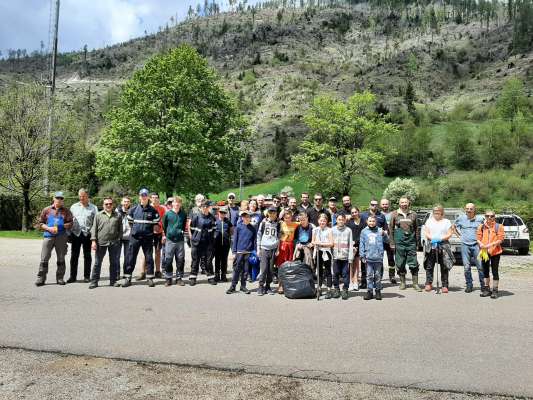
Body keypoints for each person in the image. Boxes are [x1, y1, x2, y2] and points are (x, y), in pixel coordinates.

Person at [122, 188, 160, 288]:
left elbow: (156, 224)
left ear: (148, 197)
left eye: (145, 195)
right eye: (142, 195)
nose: (143, 197)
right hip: (135, 238)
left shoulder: (153, 211)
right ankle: (127, 278)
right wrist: (136, 231)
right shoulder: (133, 210)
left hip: (147, 238)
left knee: (149, 258)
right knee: (131, 257)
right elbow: (130, 223)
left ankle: (150, 278)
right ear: (139, 197)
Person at [35, 192, 73, 286]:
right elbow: (39, 223)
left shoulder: (66, 211)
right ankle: (41, 278)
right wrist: (48, 228)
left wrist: (62, 226)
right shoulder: (47, 210)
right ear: (54, 198)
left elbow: (71, 223)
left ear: (63, 200)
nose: (59, 200)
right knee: (44, 258)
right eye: (57, 198)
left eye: (61, 198)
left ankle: (60, 278)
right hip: (48, 236)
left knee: (61, 258)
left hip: (61, 237)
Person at [88, 197, 122, 289]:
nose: (108, 205)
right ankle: (94, 282)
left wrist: (118, 240)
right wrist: (93, 241)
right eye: (106, 204)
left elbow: (120, 230)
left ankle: (113, 281)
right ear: (103, 205)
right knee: (97, 263)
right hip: (101, 242)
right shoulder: (98, 215)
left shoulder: (118, 215)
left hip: (114, 243)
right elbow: (94, 229)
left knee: (114, 262)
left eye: (110, 204)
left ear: (113, 205)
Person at [389, 197, 422, 291]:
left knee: (414, 263)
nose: (404, 204)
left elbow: (416, 229)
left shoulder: (414, 214)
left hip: (411, 242)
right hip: (399, 242)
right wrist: (392, 242)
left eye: (405, 202)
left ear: (409, 203)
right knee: (400, 263)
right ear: (399, 204)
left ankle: (415, 284)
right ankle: (403, 283)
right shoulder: (394, 214)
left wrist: (417, 243)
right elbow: (391, 229)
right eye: (402, 202)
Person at [67, 188, 98, 283]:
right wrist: (68, 234)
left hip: (87, 234)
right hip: (76, 234)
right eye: (80, 196)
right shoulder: (73, 207)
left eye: (83, 196)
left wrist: (94, 237)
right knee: (74, 256)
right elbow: (69, 220)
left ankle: (87, 276)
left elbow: (96, 223)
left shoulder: (94, 208)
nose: (81, 198)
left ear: (87, 196)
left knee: (87, 256)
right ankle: (72, 277)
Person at [454, 203, 485, 292]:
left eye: (471, 209)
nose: (469, 210)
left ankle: (483, 285)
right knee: (466, 266)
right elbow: (453, 227)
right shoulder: (461, 218)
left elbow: (486, 229)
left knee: (480, 266)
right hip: (465, 245)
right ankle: (469, 285)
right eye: (467, 208)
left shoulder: (480, 219)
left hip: (477, 245)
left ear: (474, 209)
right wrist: (459, 236)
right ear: (465, 209)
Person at [423, 205, 454, 293]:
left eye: (438, 212)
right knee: (429, 265)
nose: (436, 213)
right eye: (435, 212)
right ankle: (428, 283)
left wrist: (441, 239)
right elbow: (426, 232)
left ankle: (444, 285)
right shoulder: (429, 221)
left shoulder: (446, 221)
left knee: (444, 266)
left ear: (442, 212)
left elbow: (449, 233)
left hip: (443, 245)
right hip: (432, 244)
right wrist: (432, 239)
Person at [359, 199, 388, 289]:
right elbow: (362, 242)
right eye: (372, 204)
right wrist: (362, 254)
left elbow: (386, 231)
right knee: (368, 272)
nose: (374, 206)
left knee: (378, 273)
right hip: (368, 252)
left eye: (376, 204)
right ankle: (368, 287)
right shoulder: (363, 215)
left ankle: (378, 287)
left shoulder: (381, 216)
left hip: (378, 252)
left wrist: (385, 234)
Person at [137, 192, 166, 281]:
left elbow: (165, 223)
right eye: (153, 197)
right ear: (150, 198)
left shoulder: (162, 209)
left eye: (156, 197)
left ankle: (157, 271)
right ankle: (143, 272)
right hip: (148, 233)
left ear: (158, 198)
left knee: (158, 253)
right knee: (146, 253)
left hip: (159, 233)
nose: (154, 199)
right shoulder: (147, 207)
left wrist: (164, 234)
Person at [227, 210, 256, 294]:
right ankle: (233, 286)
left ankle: (243, 286)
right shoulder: (238, 227)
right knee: (236, 270)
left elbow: (254, 241)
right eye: (244, 217)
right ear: (242, 218)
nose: (246, 218)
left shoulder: (253, 228)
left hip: (248, 252)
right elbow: (235, 240)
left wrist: (254, 251)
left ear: (250, 218)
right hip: (239, 252)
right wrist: (234, 252)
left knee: (246, 270)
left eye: (248, 217)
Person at [477, 210, 505, 299]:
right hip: (484, 252)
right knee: (485, 271)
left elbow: (501, 239)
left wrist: (490, 245)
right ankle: (486, 289)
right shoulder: (481, 227)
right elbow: (478, 238)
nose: (489, 217)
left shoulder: (499, 226)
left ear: (494, 217)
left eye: (491, 216)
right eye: (487, 216)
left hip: (495, 252)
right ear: (485, 216)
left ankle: (495, 290)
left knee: (495, 271)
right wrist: (480, 244)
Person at [189, 200, 217, 286]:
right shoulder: (196, 217)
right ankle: (193, 277)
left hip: (208, 242)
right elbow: (192, 229)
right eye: (203, 206)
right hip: (197, 242)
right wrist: (193, 239)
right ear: (200, 207)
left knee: (208, 261)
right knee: (195, 260)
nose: (204, 208)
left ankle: (210, 277)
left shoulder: (212, 217)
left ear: (209, 208)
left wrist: (213, 239)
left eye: (206, 207)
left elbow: (214, 230)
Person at [162, 196, 187, 286]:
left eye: (178, 203)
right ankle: (168, 278)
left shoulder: (183, 214)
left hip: (180, 240)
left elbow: (184, 225)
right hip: (170, 240)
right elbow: (164, 226)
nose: (176, 204)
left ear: (180, 204)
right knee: (168, 259)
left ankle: (179, 278)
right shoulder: (167, 214)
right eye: (175, 202)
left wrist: (180, 232)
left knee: (180, 260)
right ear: (172, 203)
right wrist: (168, 234)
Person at [256, 206, 280, 296]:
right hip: (264, 248)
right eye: (270, 212)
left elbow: (279, 238)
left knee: (270, 269)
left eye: (274, 212)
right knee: (264, 268)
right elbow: (258, 236)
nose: (272, 214)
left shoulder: (278, 224)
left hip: (273, 248)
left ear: (276, 214)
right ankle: (261, 286)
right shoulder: (263, 223)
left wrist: (277, 249)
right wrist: (258, 248)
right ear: (268, 213)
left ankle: (268, 286)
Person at [275, 209, 299, 293]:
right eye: (286, 218)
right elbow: (278, 237)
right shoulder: (281, 224)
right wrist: (277, 249)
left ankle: (288, 285)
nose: (287, 219)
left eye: (289, 217)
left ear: (291, 217)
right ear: (283, 218)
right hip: (282, 246)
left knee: (289, 266)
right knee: (281, 266)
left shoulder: (295, 224)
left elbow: (305, 223)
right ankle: (280, 284)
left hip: (290, 246)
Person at [332, 213, 354, 300]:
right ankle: (336, 289)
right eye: (339, 219)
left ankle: (345, 289)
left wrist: (350, 257)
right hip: (335, 256)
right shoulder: (332, 230)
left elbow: (350, 244)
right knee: (336, 274)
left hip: (345, 257)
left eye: (342, 219)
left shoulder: (348, 230)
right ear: (336, 220)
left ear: (345, 220)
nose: (341, 221)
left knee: (345, 274)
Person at [312, 214, 334, 299]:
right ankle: (319, 287)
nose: (322, 222)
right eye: (321, 220)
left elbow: (331, 243)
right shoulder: (315, 230)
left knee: (328, 270)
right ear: (318, 221)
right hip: (318, 251)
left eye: (324, 221)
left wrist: (321, 244)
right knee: (319, 270)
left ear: (327, 222)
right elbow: (313, 241)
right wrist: (316, 244)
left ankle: (329, 289)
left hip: (326, 252)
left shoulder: (329, 230)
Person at [346, 207, 363, 291]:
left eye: (355, 212)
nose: (354, 214)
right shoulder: (349, 222)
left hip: (360, 245)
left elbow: (364, 233)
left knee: (356, 264)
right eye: (352, 213)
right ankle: (350, 282)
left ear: (358, 212)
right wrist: (351, 243)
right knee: (350, 264)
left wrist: (357, 242)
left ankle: (356, 281)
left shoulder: (363, 221)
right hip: (351, 246)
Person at [380, 198, 397, 285]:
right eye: (383, 204)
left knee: (391, 259)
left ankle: (392, 276)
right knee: (379, 259)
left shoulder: (393, 214)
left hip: (390, 240)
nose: (385, 206)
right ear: (380, 205)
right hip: (380, 241)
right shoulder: (378, 214)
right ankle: (380, 276)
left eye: (386, 204)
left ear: (389, 205)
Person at [214, 206, 232, 283]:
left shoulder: (228, 221)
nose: (222, 214)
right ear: (218, 213)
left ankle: (223, 275)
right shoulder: (215, 221)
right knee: (217, 259)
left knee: (224, 260)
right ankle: (217, 275)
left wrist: (228, 237)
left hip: (225, 244)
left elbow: (232, 230)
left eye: (224, 213)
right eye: (221, 212)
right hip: (216, 244)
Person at [115, 196, 132, 283]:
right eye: (124, 201)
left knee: (127, 257)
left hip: (129, 236)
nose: (126, 203)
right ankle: (117, 273)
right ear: (122, 202)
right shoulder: (117, 211)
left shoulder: (132, 211)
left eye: (128, 201)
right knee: (116, 256)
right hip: (119, 236)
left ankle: (126, 273)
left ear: (130, 203)